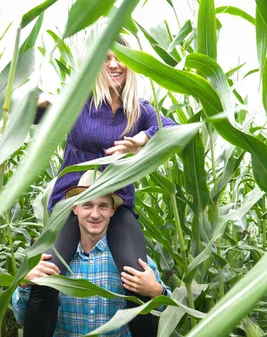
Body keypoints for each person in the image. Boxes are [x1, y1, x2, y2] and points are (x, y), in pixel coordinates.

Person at [27, 35, 176, 337]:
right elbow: (28, 112)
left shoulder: (138, 110)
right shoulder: (79, 102)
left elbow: (173, 129)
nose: (113, 64)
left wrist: (142, 141)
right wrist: (40, 101)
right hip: (72, 204)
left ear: (132, 63)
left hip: (115, 205)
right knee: (45, 279)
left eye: (120, 57)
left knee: (138, 280)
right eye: (105, 57)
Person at [13, 171, 171, 336]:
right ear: (75, 208)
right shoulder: (48, 261)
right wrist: (24, 283)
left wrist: (158, 292)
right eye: (87, 205)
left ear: (112, 210)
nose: (95, 214)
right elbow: (20, 318)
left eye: (103, 206)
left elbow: (171, 315)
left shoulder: (136, 262)